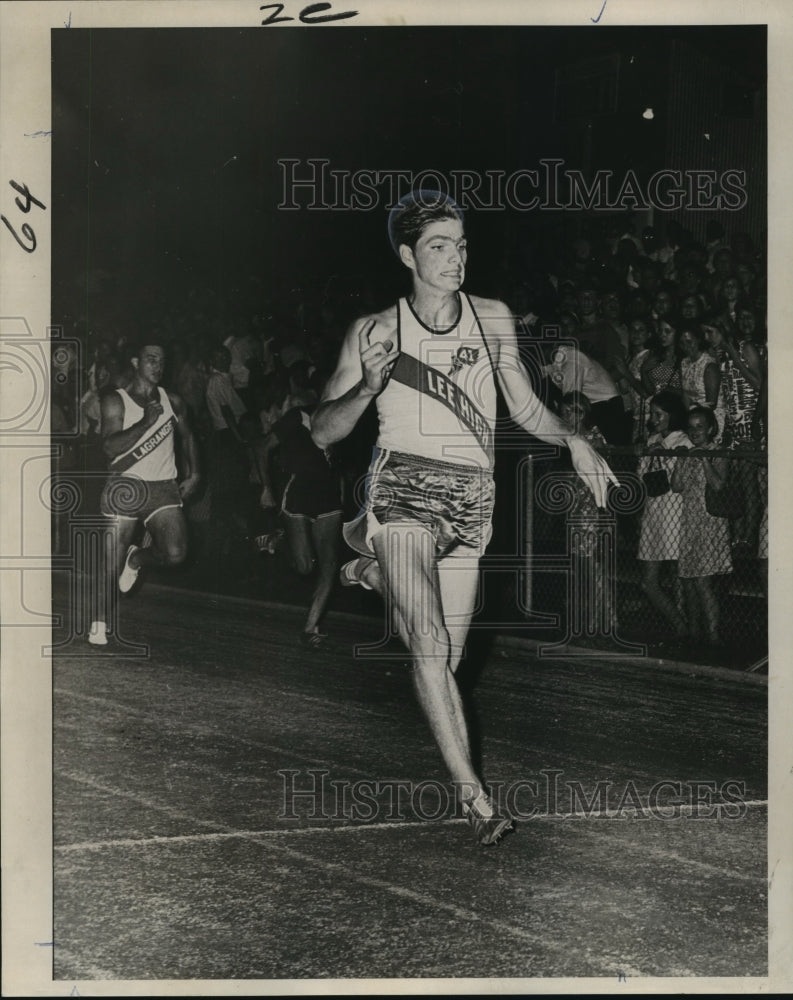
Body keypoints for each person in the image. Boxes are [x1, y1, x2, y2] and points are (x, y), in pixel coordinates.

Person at [310, 191, 617, 846]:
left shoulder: (494, 318)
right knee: (424, 642)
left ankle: (370, 569)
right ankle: (473, 798)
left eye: (462, 244)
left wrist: (575, 440)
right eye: (439, 246)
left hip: (474, 500)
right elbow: (320, 432)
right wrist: (366, 388)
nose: (456, 258)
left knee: (445, 656)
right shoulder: (374, 330)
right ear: (406, 254)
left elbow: (526, 410)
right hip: (403, 489)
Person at [90, 341, 200, 645]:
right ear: (136, 362)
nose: (158, 366)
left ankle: (137, 559)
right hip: (126, 484)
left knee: (176, 554)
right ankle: (99, 622)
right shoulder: (116, 400)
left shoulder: (174, 401)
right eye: (151, 359)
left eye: (162, 361)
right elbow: (109, 448)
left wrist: (195, 473)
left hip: (162, 486)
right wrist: (145, 423)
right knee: (111, 558)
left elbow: (189, 437)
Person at [258, 403, 344, 647]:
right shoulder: (299, 417)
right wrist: (266, 487)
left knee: (329, 564)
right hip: (299, 493)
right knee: (305, 567)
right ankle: (279, 538)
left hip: (329, 497)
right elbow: (262, 446)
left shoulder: (347, 418)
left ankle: (309, 628)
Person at [671, 406, 732, 644]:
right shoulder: (688, 451)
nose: (695, 431)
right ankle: (695, 631)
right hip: (690, 520)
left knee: (703, 580)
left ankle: (714, 635)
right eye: (691, 427)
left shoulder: (720, 452)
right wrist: (680, 460)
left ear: (709, 428)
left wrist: (704, 460)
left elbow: (718, 485)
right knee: (688, 577)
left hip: (710, 521)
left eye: (700, 426)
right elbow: (676, 486)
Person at [636, 391, 692, 639]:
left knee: (678, 573)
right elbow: (641, 478)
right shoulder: (651, 440)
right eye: (652, 413)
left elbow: (682, 480)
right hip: (653, 512)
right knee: (648, 582)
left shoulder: (684, 440)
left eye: (659, 414)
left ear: (672, 415)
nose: (654, 418)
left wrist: (665, 455)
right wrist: (648, 455)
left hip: (675, 510)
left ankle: (685, 630)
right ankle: (680, 624)